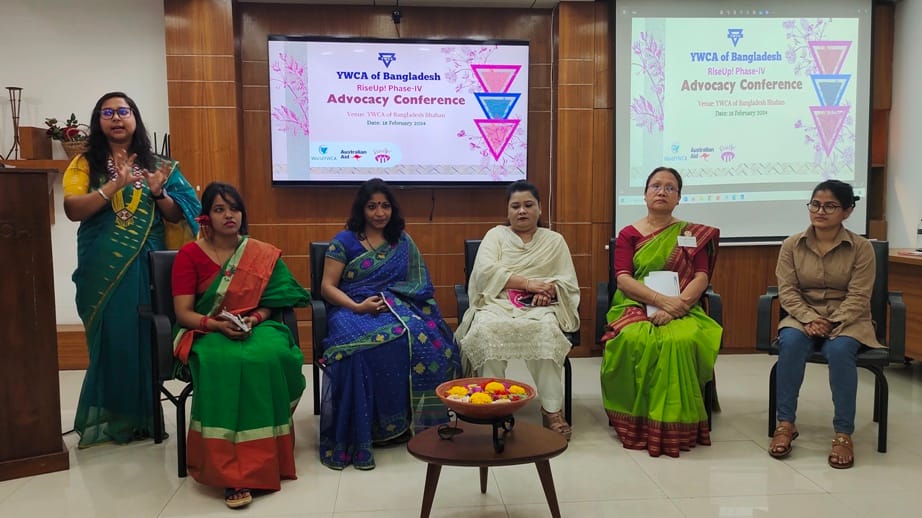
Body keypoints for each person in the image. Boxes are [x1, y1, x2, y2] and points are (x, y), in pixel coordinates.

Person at [63, 92, 200, 448]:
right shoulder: (85, 163)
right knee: (113, 339)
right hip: (101, 268)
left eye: (123, 111)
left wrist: (159, 193)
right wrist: (113, 185)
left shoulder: (159, 165)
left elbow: (181, 213)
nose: (116, 118)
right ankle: (115, 420)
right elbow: (73, 209)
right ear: (98, 121)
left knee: (143, 339)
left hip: (146, 265)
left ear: (135, 118)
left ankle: (146, 419)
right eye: (107, 112)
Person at [172, 182, 310, 508]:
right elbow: (183, 313)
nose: (228, 215)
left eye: (234, 208)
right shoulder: (189, 255)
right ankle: (230, 472)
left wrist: (254, 319)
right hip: (206, 329)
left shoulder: (260, 253)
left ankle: (267, 459)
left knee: (272, 355)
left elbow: (272, 303)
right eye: (219, 209)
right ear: (206, 216)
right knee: (227, 364)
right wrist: (216, 325)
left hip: (255, 324)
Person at [318, 178, 460, 470]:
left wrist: (394, 300)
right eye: (372, 206)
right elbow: (327, 287)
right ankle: (367, 429)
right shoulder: (343, 241)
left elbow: (418, 284)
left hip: (397, 305)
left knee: (424, 341)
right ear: (362, 209)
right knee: (360, 350)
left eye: (385, 206)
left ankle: (409, 423)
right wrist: (358, 306)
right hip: (351, 308)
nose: (379, 213)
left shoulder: (402, 241)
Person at [599, 166, 721, 458]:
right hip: (633, 303)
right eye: (655, 186)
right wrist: (660, 301)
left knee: (682, 339)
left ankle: (677, 424)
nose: (662, 192)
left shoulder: (691, 233)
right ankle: (638, 419)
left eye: (670, 188)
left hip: (683, 305)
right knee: (635, 338)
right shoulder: (629, 234)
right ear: (645, 195)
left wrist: (678, 307)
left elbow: (701, 276)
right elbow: (623, 279)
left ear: (679, 198)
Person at [768, 180, 880, 469]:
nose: (820, 211)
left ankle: (843, 433)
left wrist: (830, 321)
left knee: (840, 351)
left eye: (830, 206)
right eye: (815, 204)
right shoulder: (792, 245)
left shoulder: (861, 248)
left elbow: (859, 296)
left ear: (847, 211)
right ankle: (785, 423)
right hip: (802, 316)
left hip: (848, 319)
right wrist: (809, 318)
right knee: (791, 342)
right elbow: (787, 292)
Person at [455, 181, 580, 440]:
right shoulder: (496, 236)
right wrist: (528, 284)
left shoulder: (554, 241)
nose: (522, 211)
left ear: (540, 208)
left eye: (528, 205)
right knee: (486, 330)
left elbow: (566, 281)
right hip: (497, 303)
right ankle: (493, 406)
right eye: (515, 206)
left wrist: (548, 291)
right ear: (508, 210)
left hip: (539, 308)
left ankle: (552, 410)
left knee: (546, 331)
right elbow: (485, 273)